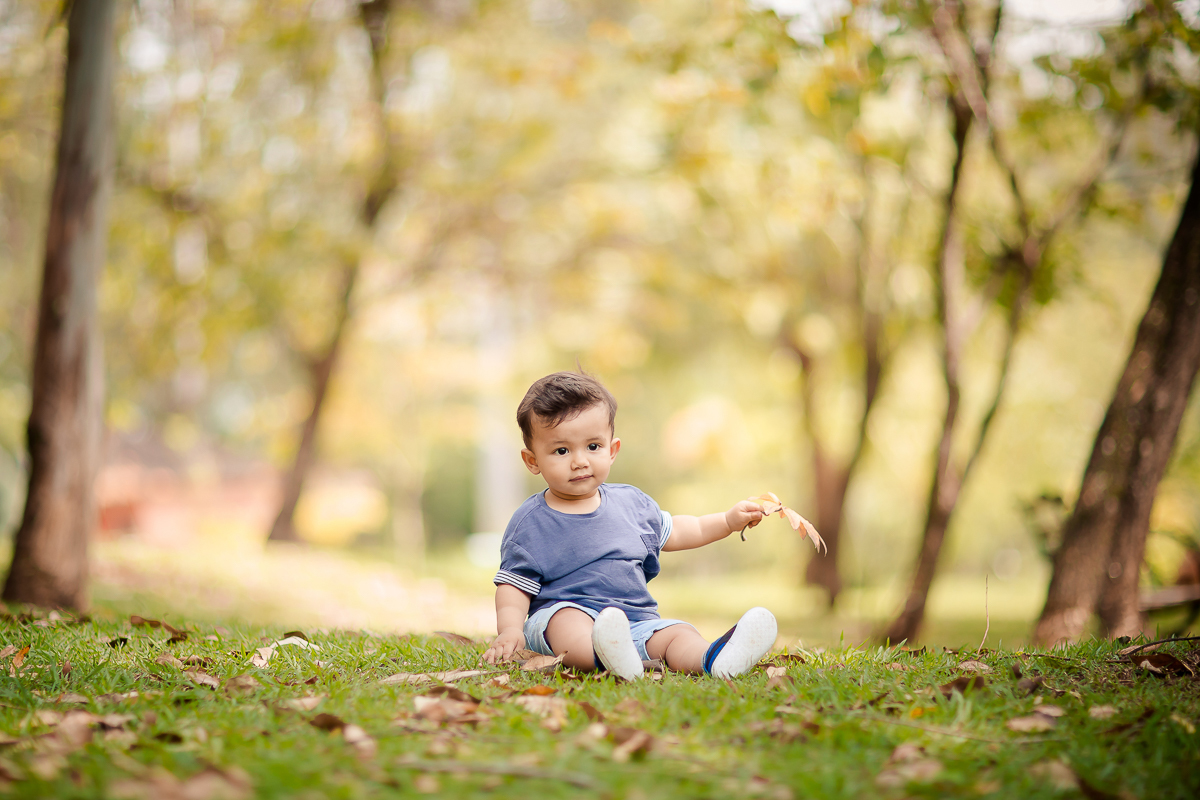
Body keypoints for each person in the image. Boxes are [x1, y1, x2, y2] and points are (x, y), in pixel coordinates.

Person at [480, 371, 778, 680]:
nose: (579, 461)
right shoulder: (532, 522)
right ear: (532, 461)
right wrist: (511, 630)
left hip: (634, 619)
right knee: (568, 621)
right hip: (563, 613)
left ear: (612, 450)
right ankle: (604, 656)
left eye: (593, 446)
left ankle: (714, 659)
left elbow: (679, 530)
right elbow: (514, 586)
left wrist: (728, 521)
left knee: (677, 633)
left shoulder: (632, 504)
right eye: (561, 450)